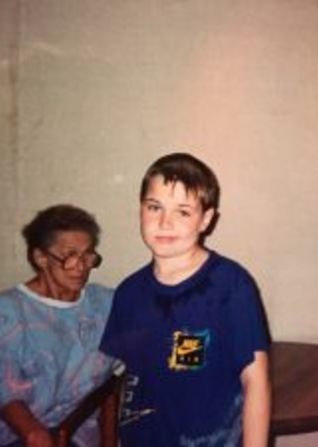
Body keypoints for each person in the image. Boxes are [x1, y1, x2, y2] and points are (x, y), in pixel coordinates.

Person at [100, 153, 271, 446]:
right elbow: (124, 383)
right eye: (154, 207)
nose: (165, 222)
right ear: (140, 210)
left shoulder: (232, 285)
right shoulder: (128, 293)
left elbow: (256, 381)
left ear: (205, 219)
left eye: (182, 211)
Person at [0, 204, 115, 447]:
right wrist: (33, 432)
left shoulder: (103, 303)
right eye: (70, 256)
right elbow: (0, 389)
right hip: (4, 433)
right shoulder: (8, 310)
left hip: (71, 430)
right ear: (41, 258)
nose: (81, 267)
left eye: (87, 255)